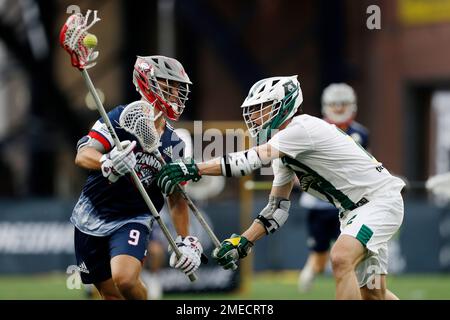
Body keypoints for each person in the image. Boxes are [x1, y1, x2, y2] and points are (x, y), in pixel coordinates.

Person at [156, 75, 405, 300]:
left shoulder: (300, 129)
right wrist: (244, 241)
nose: (255, 117)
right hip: (357, 210)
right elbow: (276, 209)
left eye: (261, 109)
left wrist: (195, 168)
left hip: (377, 202)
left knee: (341, 257)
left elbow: (250, 160)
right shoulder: (284, 150)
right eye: (253, 111)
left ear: (284, 104)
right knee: (374, 295)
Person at [71, 55, 203, 300]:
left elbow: (176, 196)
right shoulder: (119, 119)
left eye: (178, 88)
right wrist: (107, 162)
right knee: (109, 293)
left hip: (134, 216)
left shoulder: (174, 143)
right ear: (147, 83)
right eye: (168, 85)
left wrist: (185, 239)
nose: (175, 93)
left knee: (126, 280)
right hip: (92, 212)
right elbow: (83, 155)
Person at [298, 83, 370, 293]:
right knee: (320, 259)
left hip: (348, 206)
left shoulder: (361, 134)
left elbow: (368, 167)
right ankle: (311, 271)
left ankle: (356, 289)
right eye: (334, 104)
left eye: (343, 104)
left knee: (347, 257)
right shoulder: (315, 130)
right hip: (319, 203)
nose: (338, 108)